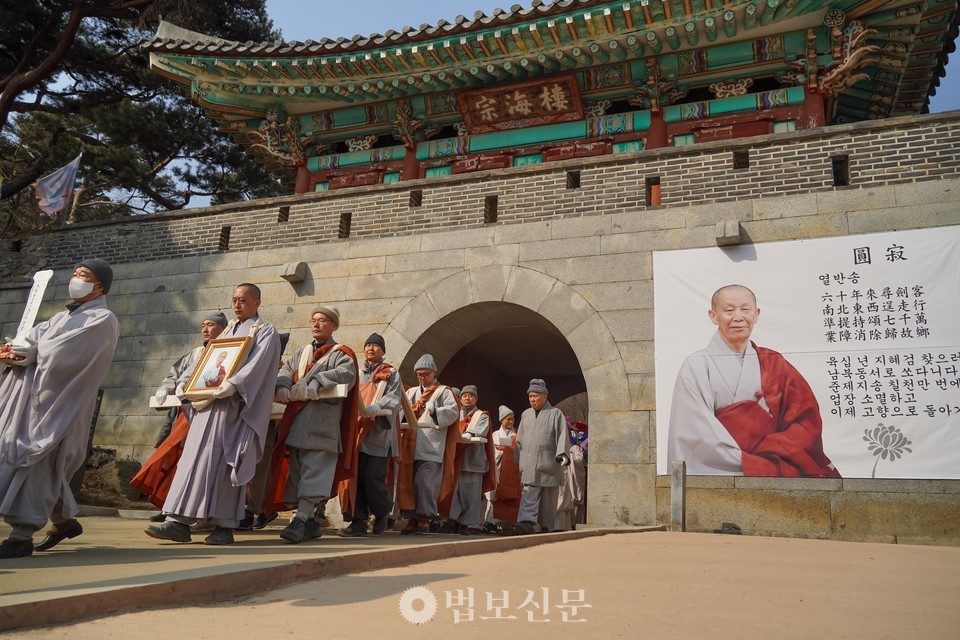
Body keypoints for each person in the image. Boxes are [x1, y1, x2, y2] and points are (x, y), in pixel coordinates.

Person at [0, 259, 120, 558]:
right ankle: (65, 522)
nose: (76, 279)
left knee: (40, 461)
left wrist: (34, 353)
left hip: (61, 405)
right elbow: (31, 340)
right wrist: (13, 352)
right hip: (32, 401)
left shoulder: (102, 320)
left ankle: (21, 536)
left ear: (100, 286)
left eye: (84, 275)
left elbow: (66, 356)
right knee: (42, 466)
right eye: (75, 274)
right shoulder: (59, 318)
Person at [144, 283, 280, 546]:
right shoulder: (227, 331)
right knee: (193, 461)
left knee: (227, 463)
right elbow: (203, 361)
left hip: (235, 410)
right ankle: (178, 522)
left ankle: (224, 526)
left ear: (257, 302)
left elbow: (259, 365)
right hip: (207, 407)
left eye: (243, 300)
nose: (237, 304)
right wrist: (186, 382)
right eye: (234, 299)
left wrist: (235, 384)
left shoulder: (264, 332)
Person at [666, 284, 841, 478]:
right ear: (713, 316)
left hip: (774, 460)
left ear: (756, 314)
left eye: (745, 309)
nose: (738, 317)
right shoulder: (697, 365)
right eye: (729, 310)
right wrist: (749, 461)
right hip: (723, 465)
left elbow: (805, 419)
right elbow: (695, 432)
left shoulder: (774, 362)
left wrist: (772, 449)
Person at [270, 306, 359, 544]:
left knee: (315, 470)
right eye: (313, 320)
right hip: (298, 421)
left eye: (322, 320)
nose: (316, 324)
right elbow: (286, 370)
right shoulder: (302, 352)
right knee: (298, 470)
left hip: (323, 423)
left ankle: (300, 519)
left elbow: (347, 373)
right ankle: (309, 522)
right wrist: (283, 386)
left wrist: (319, 380)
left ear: (334, 326)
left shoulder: (342, 353)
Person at [131, 312, 227, 521]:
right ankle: (169, 506)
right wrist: (165, 389)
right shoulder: (195, 354)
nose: (205, 329)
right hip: (184, 416)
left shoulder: (229, 353)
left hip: (211, 414)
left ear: (223, 329)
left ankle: (196, 513)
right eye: (203, 325)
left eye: (211, 325)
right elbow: (175, 376)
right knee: (176, 460)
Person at [338, 333, 402, 537]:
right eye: (368, 345)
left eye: (376, 346)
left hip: (377, 434)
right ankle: (358, 521)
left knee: (372, 477)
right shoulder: (356, 372)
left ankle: (382, 512)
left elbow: (394, 398)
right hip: (356, 432)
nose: (371, 349)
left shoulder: (391, 373)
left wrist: (376, 407)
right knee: (354, 478)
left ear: (383, 351)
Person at [397, 354, 459, 535]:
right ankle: (411, 518)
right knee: (408, 482)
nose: (422, 378)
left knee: (424, 482)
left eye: (425, 374)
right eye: (419, 374)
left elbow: (453, 412)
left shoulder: (444, 392)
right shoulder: (411, 392)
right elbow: (400, 411)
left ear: (434, 373)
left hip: (431, 445)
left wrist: (434, 411)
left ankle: (425, 517)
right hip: (410, 444)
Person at [514, 378, 570, 535]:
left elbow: (562, 435)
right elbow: (519, 439)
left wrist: (562, 454)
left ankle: (545, 525)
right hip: (530, 461)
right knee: (529, 491)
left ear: (545, 396)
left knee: (548, 497)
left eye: (535, 396)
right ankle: (526, 522)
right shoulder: (526, 414)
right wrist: (518, 459)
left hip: (549, 461)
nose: (532, 399)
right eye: (530, 396)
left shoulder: (555, 413)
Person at [442, 385, 496, 535]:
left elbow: (480, 431)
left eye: (471, 396)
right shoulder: (455, 413)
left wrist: (468, 434)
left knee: (471, 495)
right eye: (464, 395)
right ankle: (452, 520)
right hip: (455, 459)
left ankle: (467, 523)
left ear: (476, 399)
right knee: (453, 492)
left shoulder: (482, 415)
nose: (467, 398)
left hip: (473, 461)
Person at [484, 405, 521, 532]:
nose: (511, 421)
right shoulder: (495, 435)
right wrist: (502, 451)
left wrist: (509, 450)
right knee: (493, 496)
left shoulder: (517, 434)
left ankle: (507, 522)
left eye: (512, 419)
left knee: (508, 496)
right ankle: (490, 522)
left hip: (511, 471)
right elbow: (491, 452)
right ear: (501, 420)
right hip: (497, 469)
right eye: (508, 419)